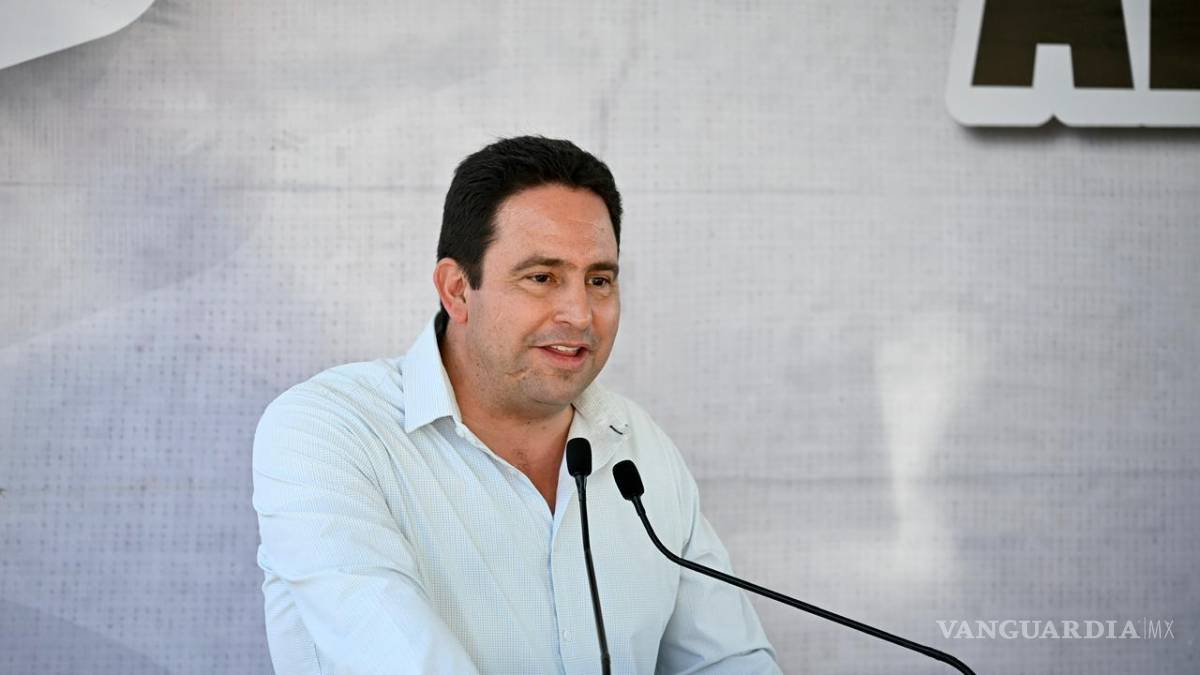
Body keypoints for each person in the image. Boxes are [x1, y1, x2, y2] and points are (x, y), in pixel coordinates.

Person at [252, 136, 781, 674]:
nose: (580, 314)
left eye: (599, 280)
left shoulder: (639, 444)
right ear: (457, 290)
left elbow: (729, 663)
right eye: (542, 278)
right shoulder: (327, 431)